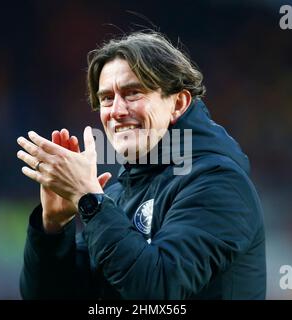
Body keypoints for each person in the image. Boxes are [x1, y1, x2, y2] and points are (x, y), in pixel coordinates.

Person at [16, 31, 266, 299]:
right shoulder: (117, 194)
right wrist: (53, 226)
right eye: (106, 98)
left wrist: (89, 200)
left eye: (133, 93)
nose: (117, 111)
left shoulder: (219, 184)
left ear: (178, 103)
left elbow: (157, 290)